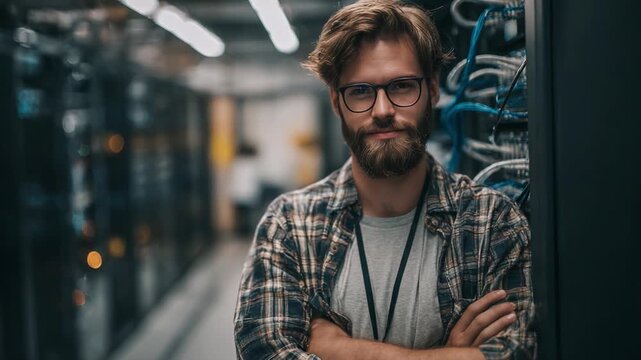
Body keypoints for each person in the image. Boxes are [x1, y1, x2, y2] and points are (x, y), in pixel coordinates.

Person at [233, 0, 535, 359]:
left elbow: (518, 353)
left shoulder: (491, 223)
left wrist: (341, 349)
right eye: (360, 91)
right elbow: (262, 352)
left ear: (433, 90)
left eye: (402, 86)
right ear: (336, 101)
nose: (382, 111)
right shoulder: (290, 226)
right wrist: (446, 354)